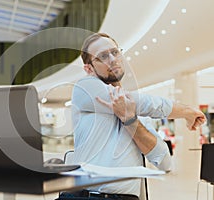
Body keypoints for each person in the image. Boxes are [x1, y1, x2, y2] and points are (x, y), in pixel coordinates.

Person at [57, 33, 206, 200]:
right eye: (103, 56)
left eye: (115, 52)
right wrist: (186, 112)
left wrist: (131, 121)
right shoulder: (85, 87)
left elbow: (164, 161)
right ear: (89, 69)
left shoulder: (138, 115)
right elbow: (139, 102)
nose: (112, 59)